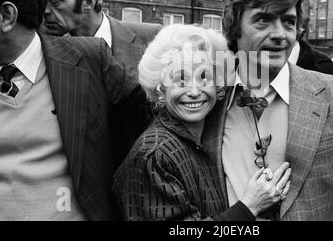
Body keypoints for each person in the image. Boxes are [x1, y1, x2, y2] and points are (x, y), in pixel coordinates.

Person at [203, 0, 333, 220]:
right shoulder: (209, 98)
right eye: (263, 19)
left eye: (288, 22)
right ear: (235, 27)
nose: (279, 34)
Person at [0, 0, 137, 220]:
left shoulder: (91, 59)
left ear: (7, 16)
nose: (45, 10)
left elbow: (147, 136)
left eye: (54, 0)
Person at [112, 24, 292, 220]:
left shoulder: (200, 140)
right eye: (181, 80)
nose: (195, 91)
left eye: (204, 77)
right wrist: (249, 206)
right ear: (160, 89)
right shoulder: (155, 155)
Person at [36, 0, 162, 165]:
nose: (43, 11)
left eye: (54, 0)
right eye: (39, 0)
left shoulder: (152, 39)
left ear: (89, 1)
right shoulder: (39, 49)